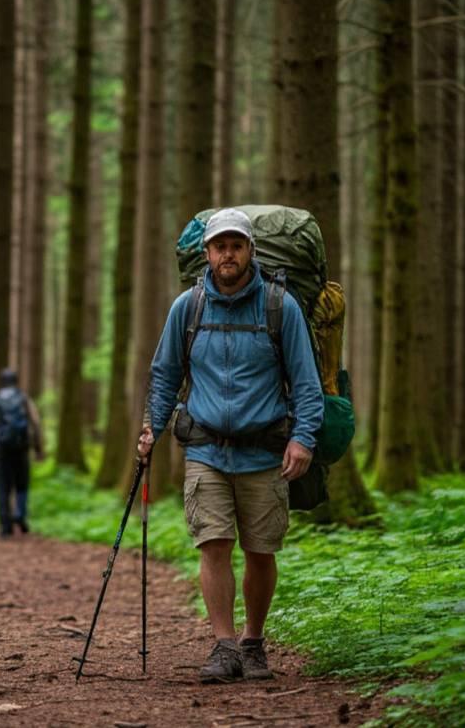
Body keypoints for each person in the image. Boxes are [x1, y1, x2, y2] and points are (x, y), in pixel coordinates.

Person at [137, 207, 323, 684]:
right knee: (213, 544)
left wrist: (303, 439)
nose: (228, 254)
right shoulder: (188, 307)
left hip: (265, 452)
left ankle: (254, 643)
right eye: (220, 246)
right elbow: (165, 376)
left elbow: (306, 383)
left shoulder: (281, 307)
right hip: (205, 451)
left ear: (251, 251)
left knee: (261, 551)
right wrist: (150, 429)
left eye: (236, 246)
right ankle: (223, 646)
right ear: (207, 253)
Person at [0, 368, 45, 538]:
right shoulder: (24, 399)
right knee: (22, 485)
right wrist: (39, 448)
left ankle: (5, 526)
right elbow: (36, 423)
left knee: (3, 488)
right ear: (16, 381)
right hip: (21, 450)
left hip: (1, 452)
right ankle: (20, 515)